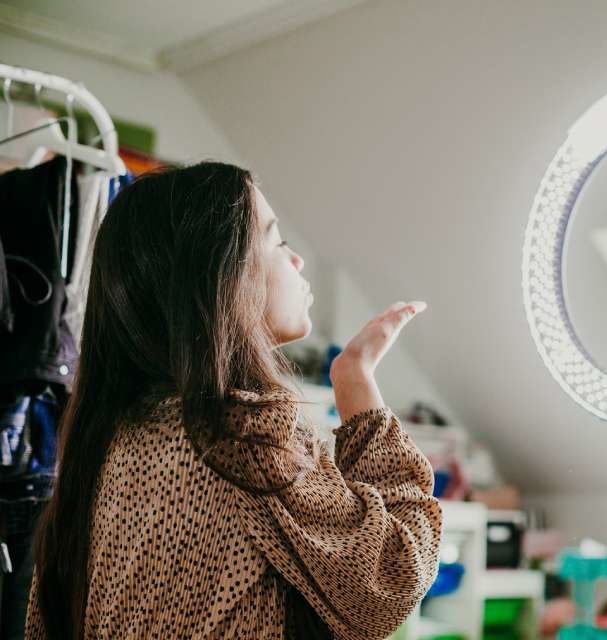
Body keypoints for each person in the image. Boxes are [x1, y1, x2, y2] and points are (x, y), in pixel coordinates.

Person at [23, 162, 441, 639]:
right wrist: (357, 382)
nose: (298, 261)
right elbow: (392, 574)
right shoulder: (239, 438)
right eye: (277, 241)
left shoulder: (106, 441)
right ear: (224, 274)